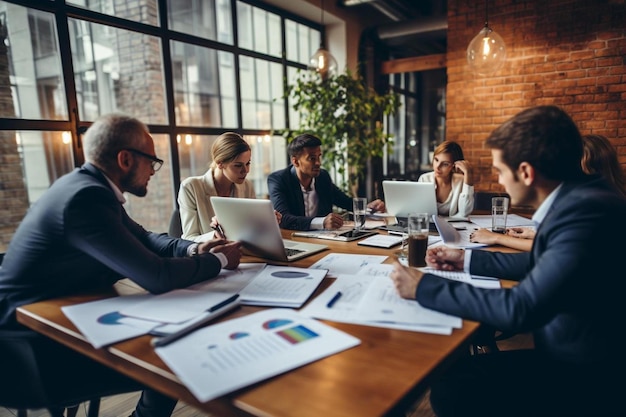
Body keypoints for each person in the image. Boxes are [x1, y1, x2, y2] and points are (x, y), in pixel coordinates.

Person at [0, 113, 242, 417]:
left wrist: (194, 247)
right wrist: (218, 259)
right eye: (151, 161)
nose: (154, 171)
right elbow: (157, 276)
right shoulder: (85, 199)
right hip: (27, 350)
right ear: (125, 159)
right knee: (175, 361)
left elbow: (147, 238)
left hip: (62, 316)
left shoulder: (88, 187)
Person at [390, 105, 625, 416]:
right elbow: (539, 264)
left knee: (452, 387)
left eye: (500, 171)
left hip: (589, 378)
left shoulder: (585, 214)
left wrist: (423, 287)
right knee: (457, 370)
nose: (499, 182)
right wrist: (466, 261)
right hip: (581, 357)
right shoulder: (584, 200)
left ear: (526, 172)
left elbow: (520, 308)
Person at [469, 133, 626, 250]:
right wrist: (534, 234)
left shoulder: (597, 207)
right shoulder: (609, 197)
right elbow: (570, 239)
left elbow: (553, 249)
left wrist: (496, 238)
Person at [268, 133, 385, 231]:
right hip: (295, 239)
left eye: (319, 157)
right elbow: (283, 219)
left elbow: (344, 201)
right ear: (296, 161)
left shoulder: (322, 176)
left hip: (325, 239)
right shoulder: (279, 180)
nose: (318, 163)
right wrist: (321, 222)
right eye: (312, 158)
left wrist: (368, 206)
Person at [178, 132, 256, 242]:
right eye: (238, 165)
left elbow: (250, 229)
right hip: (209, 256)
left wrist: (265, 222)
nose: (246, 170)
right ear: (219, 163)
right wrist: (215, 235)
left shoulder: (247, 186)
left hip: (241, 252)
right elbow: (189, 239)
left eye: (248, 163)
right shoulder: (191, 188)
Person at [418, 141, 475, 218]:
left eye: (445, 164)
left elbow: (465, 212)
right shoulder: (424, 179)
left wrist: (468, 174)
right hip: (430, 226)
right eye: (436, 160)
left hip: (454, 227)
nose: (437, 166)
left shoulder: (461, 181)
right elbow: (420, 211)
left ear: (454, 166)